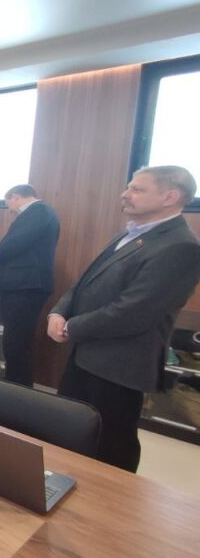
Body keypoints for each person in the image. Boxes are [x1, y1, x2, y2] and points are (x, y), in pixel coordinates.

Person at [48, 165, 200, 473]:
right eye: (129, 187)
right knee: (71, 433)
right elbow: (85, 282)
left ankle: (110, 500)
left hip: (120, 365)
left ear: (170, 197)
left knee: (110, 447)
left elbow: (135, 311)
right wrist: (58, 312)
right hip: (86, 354)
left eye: (137, 189)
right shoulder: (132, 233)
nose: (125, 194)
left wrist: (73, 326)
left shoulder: (181, 246)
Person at [0, 184, 60, 386]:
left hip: (25, 285)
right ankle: (15, 381)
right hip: (24, 284)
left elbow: (14, 244)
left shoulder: (38, 211)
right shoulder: (41, 213)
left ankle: (17, 385)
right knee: (16, 338)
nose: (11, 211)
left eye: (9, 205)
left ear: (15, 197)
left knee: (16, 340)